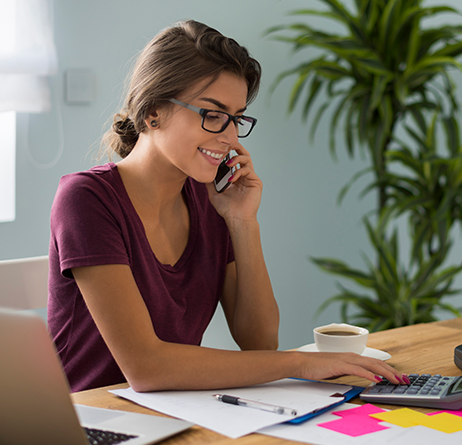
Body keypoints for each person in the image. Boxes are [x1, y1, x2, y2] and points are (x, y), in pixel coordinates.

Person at [47, 20, 406, 393]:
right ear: (153, 112)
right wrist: (302, 362)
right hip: (88, 419)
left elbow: (259, 341)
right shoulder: (86, 199)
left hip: (175, 410)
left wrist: (242, 222)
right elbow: (146, 367)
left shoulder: (210, 199)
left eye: (236, 118)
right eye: (213, 115)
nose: (231, 137)